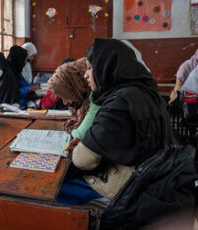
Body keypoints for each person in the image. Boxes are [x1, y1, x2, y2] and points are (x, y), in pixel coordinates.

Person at [71, 38, 173, 200]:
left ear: (107, 68)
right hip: (154, 180)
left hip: (127, 190)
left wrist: (84, 144)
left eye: (90, 68)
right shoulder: (145, 92)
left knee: (58, 187)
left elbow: (82, 160)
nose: (85, 75)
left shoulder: (119, 102)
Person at [48, 58, 101, 146]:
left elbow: (79, 135)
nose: (65, 102)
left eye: (65, 95)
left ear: (74, 87)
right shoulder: (86, 101)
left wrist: (73, 130)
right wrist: (77, 121)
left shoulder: (96, 97)